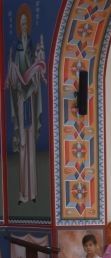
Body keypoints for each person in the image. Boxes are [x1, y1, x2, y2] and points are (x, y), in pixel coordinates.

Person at [6, 5, 46, 204]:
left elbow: (36, 73)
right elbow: (13, 77)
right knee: (22, 144)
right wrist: (17, 82)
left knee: (31, 145)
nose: (23, 26)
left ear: (28, 25)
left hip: (30, 98)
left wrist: (32, 84)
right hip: (22, 99)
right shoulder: (17, 47)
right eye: (20, 23)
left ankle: (33, 193)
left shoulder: (30, 45)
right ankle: (23, 193)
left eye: (25, 23)